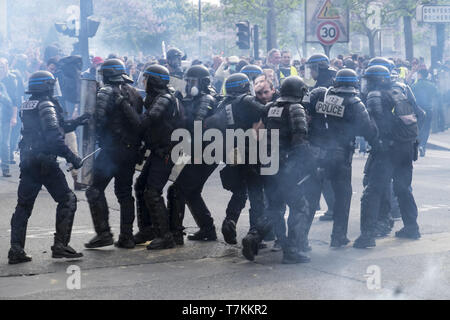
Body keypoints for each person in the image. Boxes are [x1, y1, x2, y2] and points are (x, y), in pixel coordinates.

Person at [8, 71, 88, 264]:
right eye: (51, 84)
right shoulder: (46, 104)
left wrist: (77, 122)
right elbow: (53, 139)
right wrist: (72, 158)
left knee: (23, 206)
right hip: (45, 163)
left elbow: (51, 128)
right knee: (68, 199)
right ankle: (61, 245)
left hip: (29, 161)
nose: (54, 88)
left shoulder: (29, 104)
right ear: (46, 86)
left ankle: (16, 250)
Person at [304, 69, 377, 248]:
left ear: (336, 82)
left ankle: (299, 239)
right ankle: (338, 236)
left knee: (311, 197)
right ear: (354, 83)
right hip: (340, 157)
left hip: (315, 153)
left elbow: (305, 112)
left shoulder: (321, 95)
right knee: (342, 196)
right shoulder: (355, 103)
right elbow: (369, 130)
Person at [243, 76, 312, 263]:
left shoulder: (270, 107)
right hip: (286, 166)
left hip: (269, 163)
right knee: (300, 206)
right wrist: (308, 162)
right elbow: (300, 140)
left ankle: (253, 237)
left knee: (275, 207)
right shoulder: (296, 108)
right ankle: (293, 252)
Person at [354, 65, 422, 248]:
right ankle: (411, 227)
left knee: (372, 191)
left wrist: (377, 143)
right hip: (407, 147)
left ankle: (367, 236)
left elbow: (373, 124)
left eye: (369, 79)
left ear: (377, 80)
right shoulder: (402, 89)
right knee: (403, 188)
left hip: (387, 149)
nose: (366, 83)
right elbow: (420, 113)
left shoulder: (375, 95)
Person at [84, 59, 143, 250]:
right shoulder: (133, 92)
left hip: (112, 151)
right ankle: (126, 237)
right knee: (124, 193)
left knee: (94, 190)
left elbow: (98, 120)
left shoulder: (106, 92)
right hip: (130, 151)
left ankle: (104, 234)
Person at [166, 64, 219, 243]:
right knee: (190, 192)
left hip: (203, 152)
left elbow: (196, 125)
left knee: (178, 190)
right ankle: (207, 229)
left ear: (202, 83)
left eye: (192, 81)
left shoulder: (207, 100)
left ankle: (175, 234)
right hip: (193, 150)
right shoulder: (190, 98)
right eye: (187, 81)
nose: (188, 85)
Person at [139, 64, 184, 250]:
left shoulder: (164, 98)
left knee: (152, 191)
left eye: (147, 79)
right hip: (158, 150)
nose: (144, 82)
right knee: (140, 185)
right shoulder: (158, 97)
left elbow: (148, 120)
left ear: (154, 81)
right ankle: (148, 229)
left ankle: (165, 235)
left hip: (166, 151)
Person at [304, 53, 336, 222]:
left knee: (324, 174)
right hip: (323, 136)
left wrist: (312, 114)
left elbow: (327, 113)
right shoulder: (323, 83)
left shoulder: (328, 85)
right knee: (323, 174)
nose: (309, 72)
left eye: (311, 69)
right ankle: (331, 208)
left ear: (318, 68)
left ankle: (333, 208)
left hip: (325, 137)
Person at [412, 68, 438, 157]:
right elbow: (436, 96)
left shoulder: (415, 85)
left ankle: (417, 145)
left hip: (418, 110)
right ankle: (423, 145)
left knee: (417, 128)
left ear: (419, 75)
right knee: (426, 129)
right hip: (428, 109)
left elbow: (411, 98)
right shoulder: (432, 85)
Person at [0, 58, 19, 177]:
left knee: (4, 142)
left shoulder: (11, 80)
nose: (0, 69)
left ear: (7, 66)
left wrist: (14, 116)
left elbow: (15, 100)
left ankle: (5, 167)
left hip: (6, 116)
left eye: (2, 66)